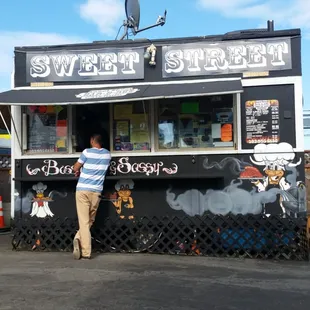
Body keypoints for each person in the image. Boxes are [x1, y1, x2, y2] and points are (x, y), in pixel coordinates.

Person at [72, 134, 111, 260]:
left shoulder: (86, 152)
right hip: (97, 192)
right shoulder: (107, 154)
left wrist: (77, 169)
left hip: (83, 190)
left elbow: (76, 167)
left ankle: (86, 252)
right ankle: (78, 238)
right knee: (90, 220)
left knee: (84, 222)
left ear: (92, 141)